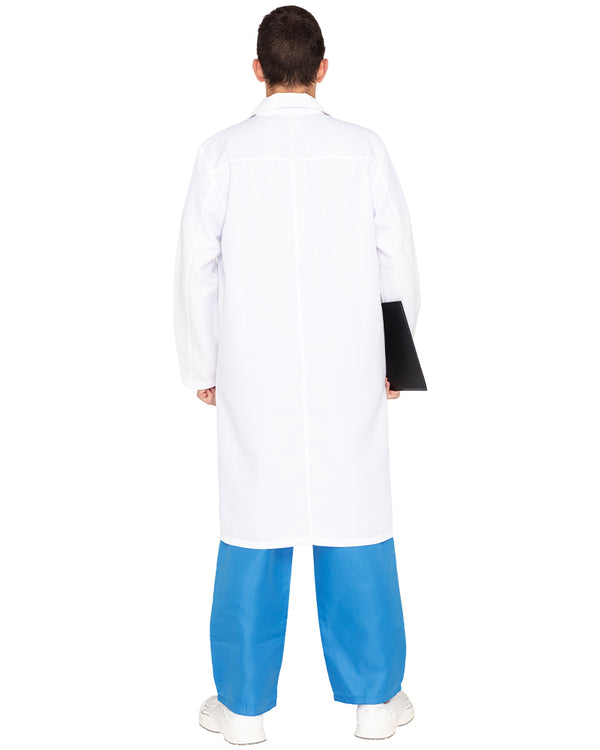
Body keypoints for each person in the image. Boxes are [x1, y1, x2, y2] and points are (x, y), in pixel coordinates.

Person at [173, 5, 421, 744]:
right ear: (322, 68)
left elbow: (195, 268)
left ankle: (243, 708)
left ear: (257, 69)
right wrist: (397, 360)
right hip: (350, 368)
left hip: (254, 371)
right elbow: (396, 261)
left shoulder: (220, 154)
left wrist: (202, 363)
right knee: (356, 518)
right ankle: (375, 702)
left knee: (253, 524)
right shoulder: (364, 149)